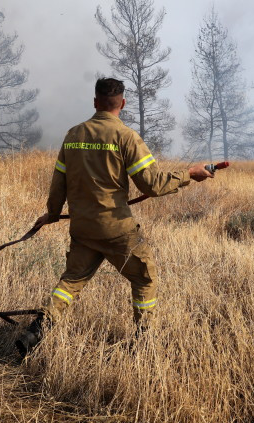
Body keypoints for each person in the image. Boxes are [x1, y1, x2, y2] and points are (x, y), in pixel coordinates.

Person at [15, 78, 213, 357]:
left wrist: (53, 213)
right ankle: (144, 343)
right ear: (123, 103)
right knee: (145, 278)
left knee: (71, 282)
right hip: (117, 230)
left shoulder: (73, 135)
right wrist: (190, 174)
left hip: (83, 228)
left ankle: (37, 330)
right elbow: (153, 185)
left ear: (95, 102)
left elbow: (58, 182)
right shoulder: (126, 137)